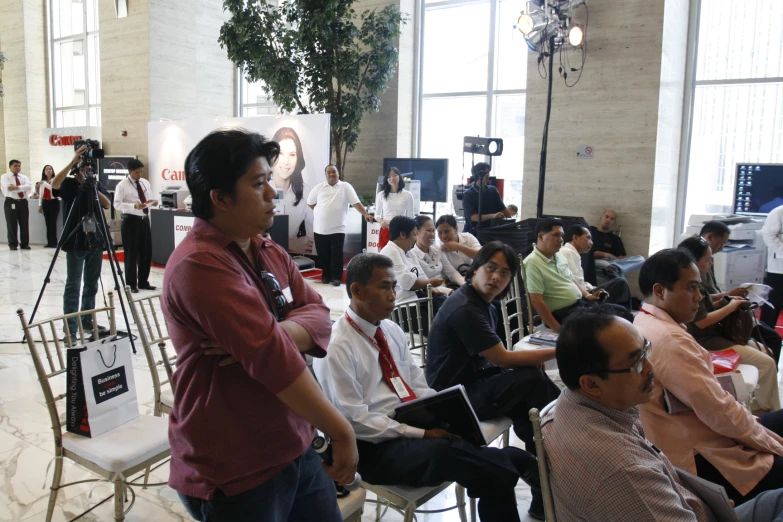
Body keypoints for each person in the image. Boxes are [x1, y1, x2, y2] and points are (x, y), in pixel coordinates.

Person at [161, 128, 358, 522]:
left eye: (269, 180)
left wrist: (277, 333)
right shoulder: (200, 263)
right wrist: (342, 432)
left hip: (295, 437)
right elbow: (274, 361)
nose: (272, 192)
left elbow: (319, 313)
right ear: (219, 197)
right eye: (258, 183)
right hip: (238, 463)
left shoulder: (267, 248)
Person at [314, 253, 542, 521]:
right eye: (384, 287)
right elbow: (354, 421)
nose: (393, 295)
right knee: (446, 453)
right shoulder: (337, 346)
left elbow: (416, 384)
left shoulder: (390, 330)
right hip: (371, 447)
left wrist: (444, 414)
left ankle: (509, 463)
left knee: (488, 473)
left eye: (394, 286)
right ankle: (516, 462)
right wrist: (419, 434)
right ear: (357, 290)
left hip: (408, 424)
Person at [545, 306, 783, 522]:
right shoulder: (626, 471)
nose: (651, 368)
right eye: (636, 363)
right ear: (591, 384)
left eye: (645, 351)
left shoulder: (568, 405)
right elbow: (720, 412)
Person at [634, 248, 783, 505]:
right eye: (691, 288)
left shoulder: (647, 319)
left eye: (699, 288)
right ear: (660, 291)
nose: (699, 297)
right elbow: (718, 412)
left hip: (697, 431)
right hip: (700, 454)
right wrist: (767, 441)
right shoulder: (670, 340)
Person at [678, 236, 780, 412]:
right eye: (708, 259)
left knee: (766, 350)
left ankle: (759, 404)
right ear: (694, 261)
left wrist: (727, 299)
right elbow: (702, 322)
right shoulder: (691, 284)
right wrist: (731, 305)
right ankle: (769, 411)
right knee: (767, 362)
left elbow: (706, 306)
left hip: (714, 334)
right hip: (706, 341)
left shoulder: (696, 281)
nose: (710, 263)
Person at [523, 218, 632, 332]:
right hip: (564, 314)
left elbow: (571, 278)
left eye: (562, 235)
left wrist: (587, 295)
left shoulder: (558, 256)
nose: (561, 240)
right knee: (620, 319)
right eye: (556, 235)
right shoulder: (532, 263)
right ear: (541, 237)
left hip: (580, 305)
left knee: (623, 311)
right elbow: (537, 301)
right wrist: (558, 329)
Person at [701, 219, 782, 363]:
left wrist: (729, 297)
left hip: (722, 312)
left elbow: (709, 296)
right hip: (712, 329)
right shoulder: (695, 266)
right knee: (769, 345)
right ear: (709, 237)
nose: (721, 248)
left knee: (769, 335)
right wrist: (728, 300)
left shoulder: (705, 259)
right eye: (721, 243)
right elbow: (703, 311)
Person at [51, 147, 112, 339]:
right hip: (75, 240)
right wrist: (71, 162)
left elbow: (107, 204)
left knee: (91, 284)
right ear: (77, 168)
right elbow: (54, 185)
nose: (86, 170)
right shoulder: (69, 184)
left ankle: (87, 321)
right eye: (83, 167)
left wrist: (92, 186)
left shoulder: (94, 183)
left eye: (88, 168)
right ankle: (70, 328)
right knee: (73, 285)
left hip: (95, 241)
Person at [307, 164, 373, 286]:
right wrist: (320, 211)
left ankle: (336, 278)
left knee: (337, 255)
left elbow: (356, 202)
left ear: (338, 173)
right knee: (323, 255)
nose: (331, 174)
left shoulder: (345, 187)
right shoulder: (318, 188)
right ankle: (325, 276)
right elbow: (310, 203)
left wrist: (365, 214)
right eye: (329, 172)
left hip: (338, 228)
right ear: (325, 175)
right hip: (320, 229)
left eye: (334, 172)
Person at [561, 224, 633, 309]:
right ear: (576, 238)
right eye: (588, 238)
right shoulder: (567, 252)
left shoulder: (574, 254)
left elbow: (578, 281)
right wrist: (589, 294)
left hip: (586, 293)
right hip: (582, 298)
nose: (591, 242)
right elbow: (572, 282)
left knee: (621, 283)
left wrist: (593, 288)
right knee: (621, 283)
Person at [378, 216, 446, 307]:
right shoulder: (390, 251)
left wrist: (430, 288)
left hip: (417, 300)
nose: (415, 239)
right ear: (403, 235)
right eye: (414, 234)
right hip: (402, 305)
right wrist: (430, 283)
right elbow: (406, 282)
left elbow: (421, 275)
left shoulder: (408, 252)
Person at [113, 158, 158, 293]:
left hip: (144, 220)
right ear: (130, 172)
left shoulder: (145, 183)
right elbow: (117, 204)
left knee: (146, 252)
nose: (140, 175)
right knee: (131, 253)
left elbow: (147, 198)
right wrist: (134, 206)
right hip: (131, 221)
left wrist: (151, 203)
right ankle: (131, 283)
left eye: (141, 172)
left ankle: (143, 281)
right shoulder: (122, 185)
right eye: (137, 173)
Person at [270, 127, 314, 254]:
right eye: (281, 153)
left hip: (292, 260)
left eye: (292, 154)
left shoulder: (306, 192)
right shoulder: (260, 189)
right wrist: (289, 243)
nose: (286, 161)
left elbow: (311, 239)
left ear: (297, 159)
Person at [410, 215, 464, 292]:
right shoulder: (412, 256)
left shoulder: (437, 250)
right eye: (428, 230)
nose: (432, 234)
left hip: (448, 289)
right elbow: (426, 285)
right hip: (433, 295)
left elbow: (452, 273)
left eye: (433, 231)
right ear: (416, 232)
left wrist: (465, 285)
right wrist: (450, 292)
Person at [461, 162, 512, 236]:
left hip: (491, 230)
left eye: (488, 172)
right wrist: (493, 216)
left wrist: (511, 223)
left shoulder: (493, 190)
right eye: (484, 172)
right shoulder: (468, 194)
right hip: (473, 232)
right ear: (476, 174)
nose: (487, 175)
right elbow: (474, 217)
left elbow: (503, 209)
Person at [589, 209, 645, 276]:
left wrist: (609, 256)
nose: (608, 220)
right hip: (595, 261)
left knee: (641, 259)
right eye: (606, 217)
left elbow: (620, 259)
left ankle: (615, 269)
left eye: (611, 219)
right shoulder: (591, 231)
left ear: (613, 223)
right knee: (608, 265)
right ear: (601, 218)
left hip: (612, 262)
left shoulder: (615, 238)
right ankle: (615, 270)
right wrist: (598, 254)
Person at [374, 166, 414, 250]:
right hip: (386, 229)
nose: (392, 178)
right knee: (384, 256)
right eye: (389, 176)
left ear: (399, 176)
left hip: (401, 230)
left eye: (394, 175)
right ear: (386, 179)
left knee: (400, 254)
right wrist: (381, 221)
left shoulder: (408, 195)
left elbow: (411, 215)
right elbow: (376, 214)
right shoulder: (381, 195)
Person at [2, 159, 32, 250]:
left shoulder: (24, 177)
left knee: (24, 224)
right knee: (11, 224)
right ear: (10, 166)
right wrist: (22, 188)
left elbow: (29, 187)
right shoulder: (5, 176)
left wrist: (17, 187)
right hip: (11, 201)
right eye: (15, 166)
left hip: (23, 202)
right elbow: (9, 188)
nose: (18, 167)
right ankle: (13, 244)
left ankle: (25, 244)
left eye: (19, 166)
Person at [762, 204, 783, 328]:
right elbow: (769, 236)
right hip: (778, 268)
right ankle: (765, 336)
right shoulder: (778, 212)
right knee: (772, 304)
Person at [37, 164, 59, 248]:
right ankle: (49, 242)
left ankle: (54, 242)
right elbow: (41, 194)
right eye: (47, 169)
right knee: (47, 223)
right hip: (45, 202)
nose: (49, 171)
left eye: (50, 169)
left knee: (53, 223)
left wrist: (45, 184)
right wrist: (40, 205)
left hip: (54, 202)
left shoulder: (55, 180)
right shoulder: (43, 181)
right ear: (44, 172)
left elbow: (54, 189)